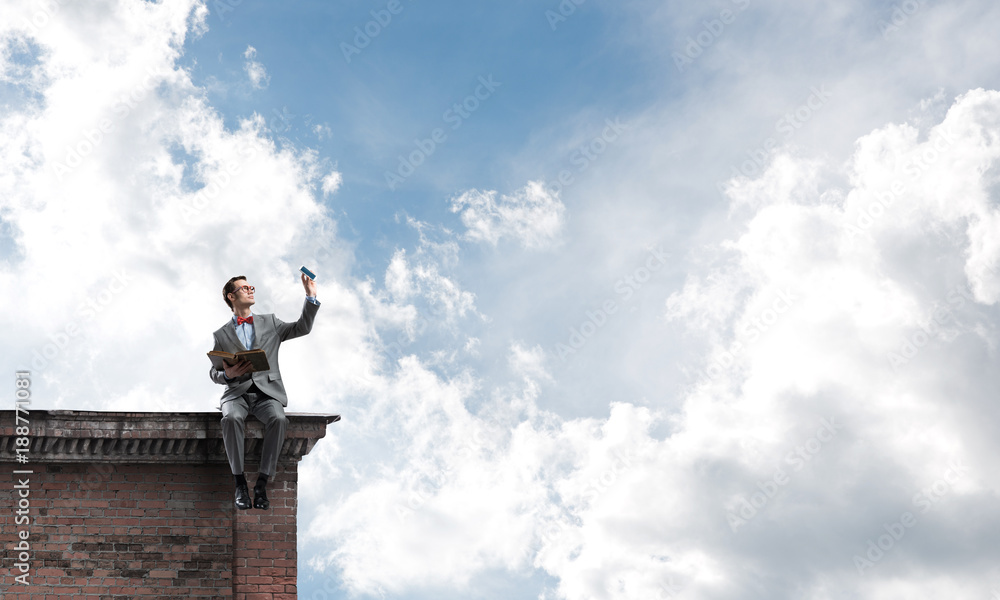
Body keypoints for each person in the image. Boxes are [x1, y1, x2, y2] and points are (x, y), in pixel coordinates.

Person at [209, 273, 319, 509]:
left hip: (266, 393)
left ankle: (261, 483)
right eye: (245, 287)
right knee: (230, 418)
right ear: (231, 296)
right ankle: (239, 483)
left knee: (279, 419)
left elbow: (302, 328)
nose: (251, 290)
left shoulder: (270, 322)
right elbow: (214, 373)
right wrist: (229, 375)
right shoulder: (221, 335)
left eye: (252, 287)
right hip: (236, 394)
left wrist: (311, 297)